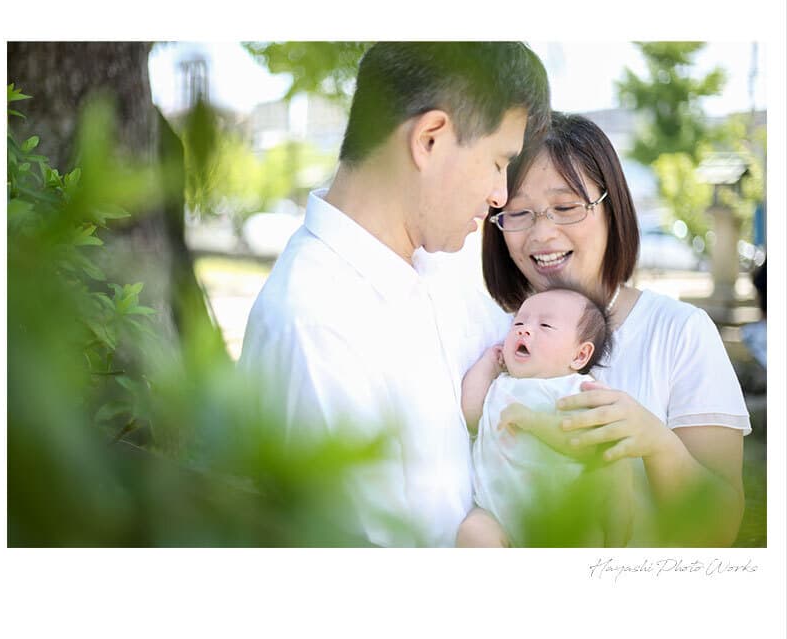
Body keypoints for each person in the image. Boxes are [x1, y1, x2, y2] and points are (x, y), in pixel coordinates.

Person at [239, 42, 551, 547]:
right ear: (429, 139)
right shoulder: (314, 325)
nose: (500, 194)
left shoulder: (445, 270)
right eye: (498, 162)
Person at [467, 111, 750, 548]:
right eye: (518, 212)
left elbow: (720, 528)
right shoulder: (489, 332)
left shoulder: (679, 332)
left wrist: (655, 442)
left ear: (612, 208)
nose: (542, 233)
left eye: (565, 207)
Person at [460, 285, 633, 547]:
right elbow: (471, 413)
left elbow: (585, 443)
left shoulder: (577, 389)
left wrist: (533, 421)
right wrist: (487, 364)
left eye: (545, 326)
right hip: (497, 513)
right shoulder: (501, 382)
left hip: (561, 515)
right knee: (473, 531)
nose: (524, 329)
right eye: (518, 322)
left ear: (579, 355)